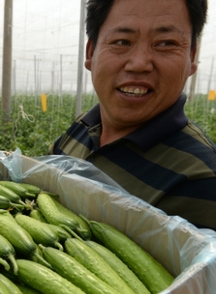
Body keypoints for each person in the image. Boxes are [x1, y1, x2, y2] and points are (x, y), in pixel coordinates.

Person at [49, 0, 216, 230]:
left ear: (191, 58)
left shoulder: (202, 180)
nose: (139, 64)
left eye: (166, 43)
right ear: (91, 52)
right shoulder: (82, 126)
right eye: (121, 41)